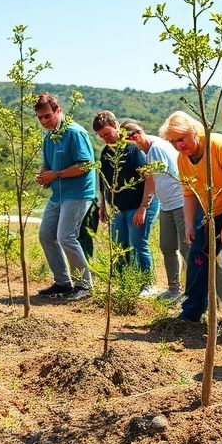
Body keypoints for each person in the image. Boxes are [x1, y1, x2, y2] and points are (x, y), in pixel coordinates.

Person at [159, 111, 222, 332]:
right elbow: (190, 193)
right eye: (174, 141)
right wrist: (190, 224)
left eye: (181, 139)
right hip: (213, 209)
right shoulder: (182, 158)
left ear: (194, 131)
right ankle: (192, 311)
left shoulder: (220, 145)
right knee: (197, 255)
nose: (178, 145)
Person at [35, 93, 97, 299]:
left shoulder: (74, 132)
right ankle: (62, 283)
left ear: (58, 110)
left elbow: (85, 165)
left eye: (48, 116)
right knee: (45, 235)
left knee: (65, 236)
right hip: (58, 195)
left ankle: (85, 285)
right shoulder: (48, 138)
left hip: (78, 194)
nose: (44, 120)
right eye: (41, 118)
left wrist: (57, 174)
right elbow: (49, 165)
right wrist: (45, 175)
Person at [93, 110, 160, 294]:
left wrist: (143, 207)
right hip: (118, 207)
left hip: (140, 204)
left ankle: (148, 284)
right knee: (119, 245)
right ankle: (123, 284)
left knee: (138, 243)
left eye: (107, 134)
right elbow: (104, 181)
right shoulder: (106, 153)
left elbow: (149, 178)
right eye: (101, 136)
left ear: (116, 126)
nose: (105, 139)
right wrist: (102, 205)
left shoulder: (132, 149)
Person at [121, 119, 189, 302]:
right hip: (166, 205)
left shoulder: (156, 148)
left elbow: (154, 178)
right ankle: (174, 289)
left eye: (128, 142)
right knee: (167, 247)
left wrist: (143, 207)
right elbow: (152, 180)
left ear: (136, 136)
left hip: (180, 203)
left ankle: (193, 293)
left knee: (186, 249)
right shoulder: (148, 149)